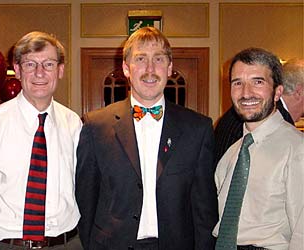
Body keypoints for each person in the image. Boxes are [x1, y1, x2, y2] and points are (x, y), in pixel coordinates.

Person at [75, 27, 218, 250]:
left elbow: (204, 210)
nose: (150, 69)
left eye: (158, 59)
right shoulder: (94, 126)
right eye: (140, 59)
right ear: (126, 68)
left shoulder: (198, 129)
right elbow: (86, 202)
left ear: (170, 68)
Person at [0, 31, 83, 249]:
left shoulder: (74, 125)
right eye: (30, 64)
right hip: (8, 244)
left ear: (60, 70)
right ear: (18, 70)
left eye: (48, 64)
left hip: (66, 243)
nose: (39, 73)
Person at [213, 48, 304, 249]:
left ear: (278, 91)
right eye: (238, 83)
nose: (246, 93)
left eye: (258, 82)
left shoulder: (297, 149)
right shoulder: (231, 154)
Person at [214, 58, 304, 164]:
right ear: (299, 91)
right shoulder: (273, 119)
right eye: (238, 83)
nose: (246, 93)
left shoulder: (236, 113)